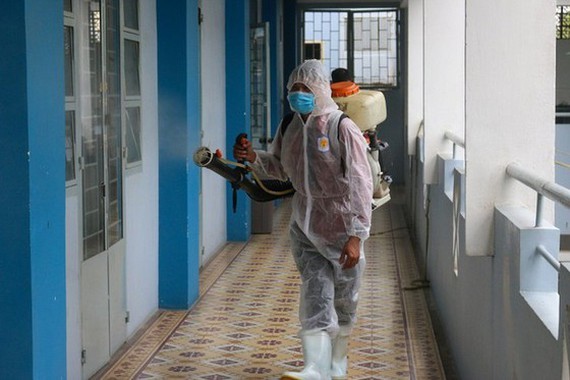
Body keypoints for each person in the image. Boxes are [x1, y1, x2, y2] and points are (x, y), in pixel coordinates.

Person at [234, 59, 373, 380]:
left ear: (321, 89)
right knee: (315, 293)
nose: (298, 94)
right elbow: (280, 168)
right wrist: (254, 158)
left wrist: (357, 234)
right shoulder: (290, 127)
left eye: (305, 88)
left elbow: (360, 182)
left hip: (342, 226)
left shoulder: (342, 127)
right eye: (294, 88)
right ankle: (314, 368)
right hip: (306, 224)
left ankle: (338, 362)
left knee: (344, 300)